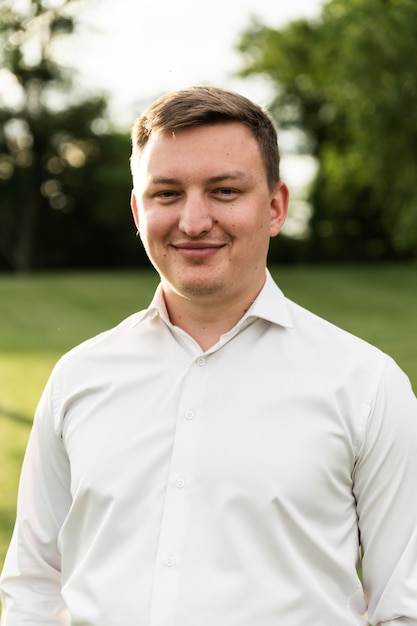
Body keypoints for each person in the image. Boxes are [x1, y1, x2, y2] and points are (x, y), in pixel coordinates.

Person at [1, 85, 417, 626]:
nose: (193, 222)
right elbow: (33, 587)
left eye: (223, 191)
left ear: (275, 207)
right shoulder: (78, 377)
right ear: (137, 209)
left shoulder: (365, 385)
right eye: (167, 194)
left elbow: (405, 606)